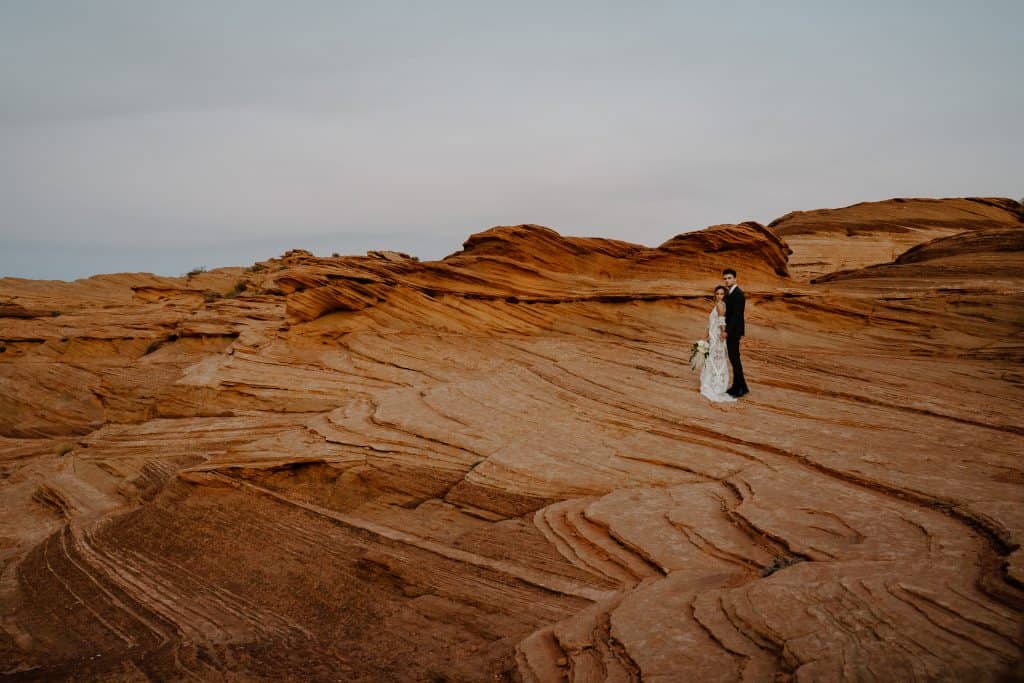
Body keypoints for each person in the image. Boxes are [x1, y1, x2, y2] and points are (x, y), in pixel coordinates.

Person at [700, 285, 736, 403]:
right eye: (717, 294)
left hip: (717, 337)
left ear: (725, 295)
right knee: (717, 359)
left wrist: (724, 332)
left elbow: (721, 321)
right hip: (715, 336)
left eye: (722, 293)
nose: (719, 296)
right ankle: (717, 385)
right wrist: (706, 337)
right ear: (715, 295)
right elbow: (712, 323)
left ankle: (715, 386)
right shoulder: (723, 305)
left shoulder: (720, 305)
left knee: (715, 359)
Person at [722, 268, 749, 397]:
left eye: (729, 278)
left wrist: (727, 331)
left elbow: (736, 316)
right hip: (731, 330)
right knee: (733, 359)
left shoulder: (739, 294)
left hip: (734, 331)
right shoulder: (729, 293)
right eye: (725, 278)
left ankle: (742, 387)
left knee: (735, 359)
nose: (727, 281)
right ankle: (737, 386)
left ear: (735, 279)